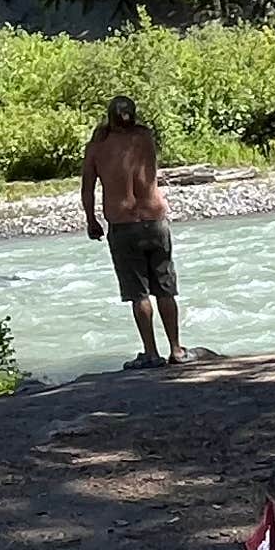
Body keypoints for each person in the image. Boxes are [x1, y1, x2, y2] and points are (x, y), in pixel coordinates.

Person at [80, 93, 184, 369]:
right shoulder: (145, 138)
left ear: (109, 116)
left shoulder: (97, 147)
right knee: (165, 289)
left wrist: (91, 220)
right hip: (155, 222)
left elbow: (87, 188)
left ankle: (151, 353)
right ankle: (177, 350)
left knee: (138, 293)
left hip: (124, 226)